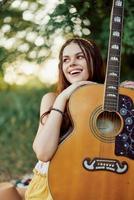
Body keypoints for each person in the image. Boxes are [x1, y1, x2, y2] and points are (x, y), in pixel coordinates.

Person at [25, 38, 134, 200]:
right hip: (54, 186)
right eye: (66, 60)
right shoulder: (52, 99)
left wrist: (128, 99)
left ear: (94, 61)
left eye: (79, 57)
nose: (72, 63)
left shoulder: (118, 101)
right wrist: (64, 97)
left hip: (106, 183)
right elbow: (43, 152)